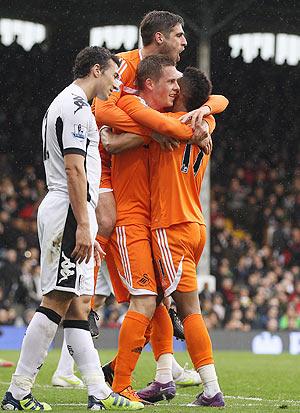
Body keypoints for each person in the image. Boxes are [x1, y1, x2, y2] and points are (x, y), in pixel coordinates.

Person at [91, 10, 226, 400]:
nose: (185, 43)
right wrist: (184, 122)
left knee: (158, 301)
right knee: (156, 301)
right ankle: (147, 378)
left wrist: (193, 115)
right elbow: (103, 109)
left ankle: (150, 378)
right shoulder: (134, 92)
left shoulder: (168, 116)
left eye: (177, 85)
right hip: (148, 219)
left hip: (166, 223)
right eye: (180, 36)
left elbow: (212, 101)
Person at [1, 46, 143, 412]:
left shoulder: (63, 103)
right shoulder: (78, 108)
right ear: (96, 70)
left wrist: (87, 223)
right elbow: (75, 169)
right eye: (113, 75)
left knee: (77, 306)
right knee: (56, 301)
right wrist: (83, 224)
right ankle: (17, 393)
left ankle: (98, 391)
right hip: (68, 210)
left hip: (70, 210)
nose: (115, 83)